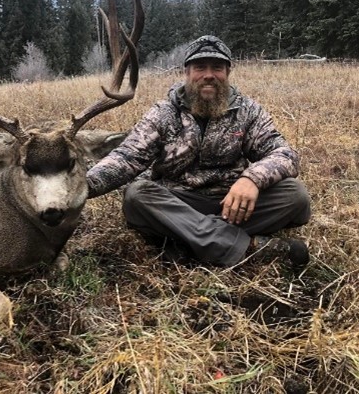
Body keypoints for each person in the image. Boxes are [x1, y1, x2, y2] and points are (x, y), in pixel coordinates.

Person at [86, 35, 311, 268]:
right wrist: (85, 184)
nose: (209, 75)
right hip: (178, 201)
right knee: (137, 196)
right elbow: (127, 157)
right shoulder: (164, 113)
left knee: (295, 195)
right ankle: (249, 248)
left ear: (228, 72)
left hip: (232, 203)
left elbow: (284, 153)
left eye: (217, 67)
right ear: (187, 72)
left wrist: (252, 179)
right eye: (200, 67)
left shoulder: (247, 111)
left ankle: (186, 239)